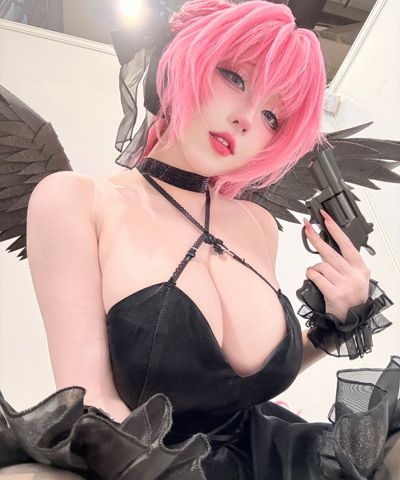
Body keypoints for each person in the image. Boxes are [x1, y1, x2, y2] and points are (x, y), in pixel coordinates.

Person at [0, 0, 399, 479]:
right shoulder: (77, 200)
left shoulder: (256, 224)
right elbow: (93, 401)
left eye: (272, 116)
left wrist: (339, 319)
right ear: (187, 60)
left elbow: (242, 382)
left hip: (277, 455)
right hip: (151, 463)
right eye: (235, 78)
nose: (247, 118)